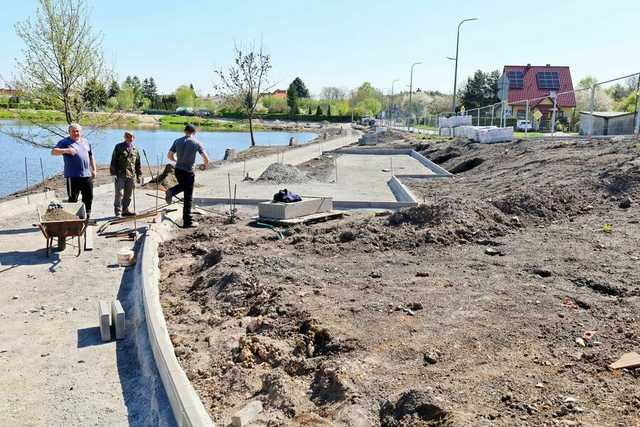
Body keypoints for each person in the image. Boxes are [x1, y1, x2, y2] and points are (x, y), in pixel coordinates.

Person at [165, 124, 209, 228]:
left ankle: (172, 191)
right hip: (188, 171)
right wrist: (204, 165)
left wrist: (176, 160)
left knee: (184, 187)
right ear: (194, 132)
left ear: (185, 131)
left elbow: (169, 156)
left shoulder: (177, 141)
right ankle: (187, 222)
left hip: (178, 170)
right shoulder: (196, 143)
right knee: (188, 196)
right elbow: (206, 158)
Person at [51, 123, 96, 218]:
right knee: (73, 199)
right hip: (73, 176)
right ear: (69, 132)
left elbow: (91, 156)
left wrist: (94, 169)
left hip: (87, 175)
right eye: (73, 131)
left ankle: (87, 217)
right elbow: (53, 152)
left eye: (77, 131)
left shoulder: (86, 141)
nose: (75, 133)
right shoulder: (64, 142)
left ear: (80, 132)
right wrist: (66, 150)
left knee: (89, 197)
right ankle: (73, 219)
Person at [110, 131, 142, 217]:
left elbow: (138, 164)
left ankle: (125, 210)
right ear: (124, 137)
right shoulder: (118, 147)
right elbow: (113, 161)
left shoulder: (135, 149)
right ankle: (118, 213)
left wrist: (139, 175)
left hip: (131, 175)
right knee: (119, 194)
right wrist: (113, 174)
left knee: (128, 194)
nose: (130, 138)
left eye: (131, 137)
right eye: (128, 137)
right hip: (120, 175)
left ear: (133, 138)